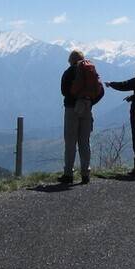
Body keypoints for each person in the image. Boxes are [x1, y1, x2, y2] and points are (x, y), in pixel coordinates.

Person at [59, 50, 99, 184]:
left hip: (72, 109)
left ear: (71, 59)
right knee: (84, 142)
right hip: (87, 108)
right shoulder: (90, 71)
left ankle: (68, 174)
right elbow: (100, 91)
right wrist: (89, 102)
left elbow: (64, 91)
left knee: (70, 142)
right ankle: (85, 174)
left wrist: (75, 99)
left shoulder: (69, 71)